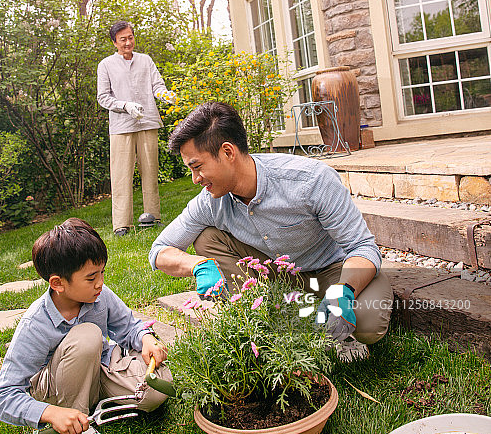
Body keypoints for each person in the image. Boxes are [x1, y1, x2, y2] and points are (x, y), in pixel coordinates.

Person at [149, 102, 393, 361]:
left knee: (369, 322)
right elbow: (158, 251)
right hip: (277, 276)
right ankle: (264, 322)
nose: (195, 179)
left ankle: (339, 329)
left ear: (228, 152)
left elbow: (363, 247)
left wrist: (344, 291)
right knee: (207, 239)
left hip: (332, 271)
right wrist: (197, 265)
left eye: (197, 167)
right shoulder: (209, 201)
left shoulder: (310, 181)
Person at [0, 218, 171, 434]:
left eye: (102, 273)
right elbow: (3, 397)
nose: (100, 283)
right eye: (91, 278)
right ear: (58, 283)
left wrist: (145, 338)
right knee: (88, 335)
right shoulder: (35, 324)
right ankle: (73, 427)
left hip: (97, 366)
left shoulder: (100, 295)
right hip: (55, 388)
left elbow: (128, 327)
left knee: (156, 392)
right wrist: (50, 413)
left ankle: (93, 401)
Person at [97, 20, 176, 235]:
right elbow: (103, 98)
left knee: (150, 171)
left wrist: (165, 95)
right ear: (114, 42)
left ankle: (153, 217)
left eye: (130, 37)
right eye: (123, 39)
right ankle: (122, 224)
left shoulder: (146, 60)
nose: (128, 42)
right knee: (121, 174)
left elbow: (157, 85)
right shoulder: (106, 65)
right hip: (122, 126)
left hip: (147, 121)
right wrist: (125, 105)